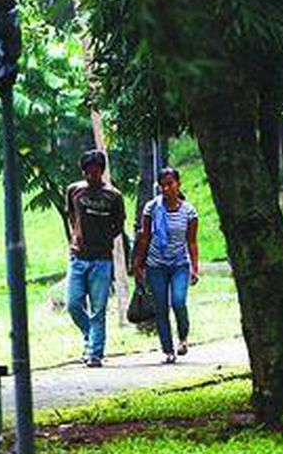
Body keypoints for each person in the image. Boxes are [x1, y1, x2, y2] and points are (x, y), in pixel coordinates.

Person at [65, 149, 126, 368]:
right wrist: (77, 235)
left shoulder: (113, 196)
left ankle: (95, 353)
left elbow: (118, 225)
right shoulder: (74, 191)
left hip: (102, 259)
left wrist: (104, 238)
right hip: (78, 258)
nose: (91, 177)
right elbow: (71, 214)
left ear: (102, 171)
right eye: (87, 173)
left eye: (96, 172)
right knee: (73, 303)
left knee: (98, 308)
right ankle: (90, 336)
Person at [133, 166, 199, 364]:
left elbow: (192, 241)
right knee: (161, 308)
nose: (166, 189)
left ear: (178, 184)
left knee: (178, 301)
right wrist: (138, 264)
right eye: (162, 185)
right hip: (156, 264)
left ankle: (183, 337)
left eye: (170, 184)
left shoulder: (189, 211)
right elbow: (144, 237)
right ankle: (168, 350)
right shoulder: (152, 208)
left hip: (180, 263)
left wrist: (195, 268)